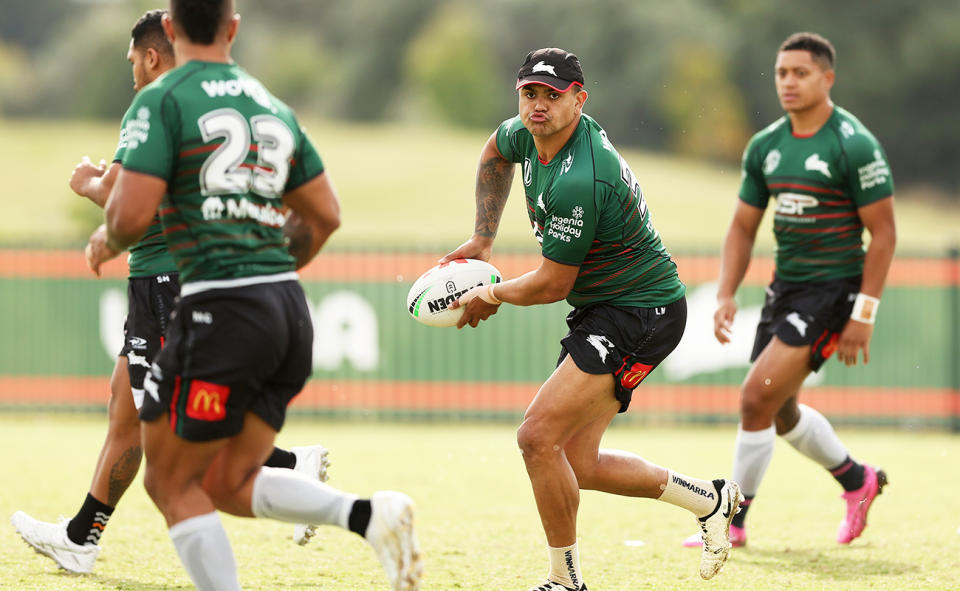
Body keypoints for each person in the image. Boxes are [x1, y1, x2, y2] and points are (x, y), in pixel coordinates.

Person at [82, 2, 421, 590]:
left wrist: (104, 239)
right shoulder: (271, 105)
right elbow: (326, 215)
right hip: (288, 311)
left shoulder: (161, 98)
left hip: (221, 314)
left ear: (170, 30)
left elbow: (132, 217)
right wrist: (265, 276)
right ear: (233, 29)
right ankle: (369, 516)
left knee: (170, 481)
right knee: (227, 480)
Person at [9, 10, 332, 576]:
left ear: (154, 54)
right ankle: (82, 536)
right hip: (171, 282)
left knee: (171, 432)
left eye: (134, 59)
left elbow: (131, 202)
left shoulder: (159, 101)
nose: (132, 70)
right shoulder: (231, 100)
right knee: (125, 410)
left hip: (165, 281)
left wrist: (89, 183)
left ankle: (288, 467)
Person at [444, 47, 742, 589]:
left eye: (553, 95)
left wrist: (488, 296)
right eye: (529, 93)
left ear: (580, 99)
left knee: (536, 438)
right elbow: (493, 151)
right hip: (610, 309)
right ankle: (710, 499)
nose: (538, 105)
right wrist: (484, 237)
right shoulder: (525, 133)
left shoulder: (580, 179)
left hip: (640, 312)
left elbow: (552, 284)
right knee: (576, 462)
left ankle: (564, 581)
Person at [682, 32, 895, 549]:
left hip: (833, 292)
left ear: (828, 78)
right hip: (787, 290)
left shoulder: (853, 144)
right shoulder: (767, 146)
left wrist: (862, 314)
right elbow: (741, 228)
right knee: (779, 411)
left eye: (801, 73)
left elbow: (884, 233)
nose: (789, 82)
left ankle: (729, 521)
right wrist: (727, 291)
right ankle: (857, 480)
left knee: (755, 397)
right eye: (782, 73)